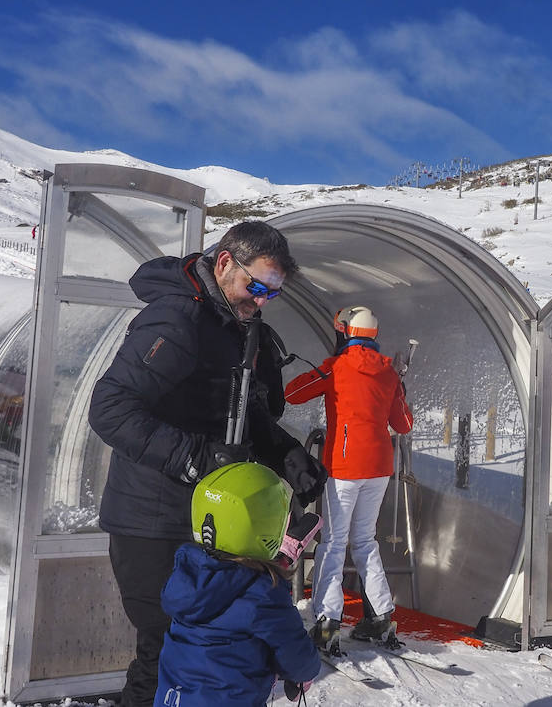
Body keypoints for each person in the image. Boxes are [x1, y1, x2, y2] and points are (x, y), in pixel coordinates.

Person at [88, 221, 329, 707]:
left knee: (203, 657)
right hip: (152, 521)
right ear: (224, 263)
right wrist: (199, 458)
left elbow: (244, 409)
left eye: (272, 294)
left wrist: (287, 453)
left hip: (206, 518)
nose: (260, 300)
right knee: (165, 654)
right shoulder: (177, 320)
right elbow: (110, 408)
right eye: (255, 286)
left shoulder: (236, 326)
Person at [285, 305, 414, 648]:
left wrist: (324, 370)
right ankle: (381, 617)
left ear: (344, 332)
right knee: (365, 541)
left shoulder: (336, 368)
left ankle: (327, 621)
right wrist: (399, 386)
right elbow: (404, 425)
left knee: (333, 542)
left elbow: (293, 394)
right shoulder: (389, 372)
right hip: (379, 468)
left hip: (343, 467)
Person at [156, 462, 321, 707]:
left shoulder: (187, 577)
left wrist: (274, 561)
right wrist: (302, 676)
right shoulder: (263, 593)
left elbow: (230, 579)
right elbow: (300, 660)